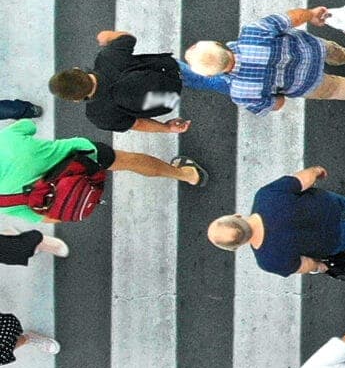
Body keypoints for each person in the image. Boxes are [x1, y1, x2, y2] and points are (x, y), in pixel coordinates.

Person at [207, 167, 345, 279]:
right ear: (236, 216)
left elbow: (307, 265)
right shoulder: (266, 196)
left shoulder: (268, 261)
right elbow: (305, 179)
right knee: (342, 204)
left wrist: (322, 267)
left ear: (237, 247)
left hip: (332, 239)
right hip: (327, 205)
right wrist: (316, 171)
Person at [0, 117, 202, 228]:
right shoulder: (6, 139)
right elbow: (28, 125)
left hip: (75, 191)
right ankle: (186, 174)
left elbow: (51, 218)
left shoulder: (3, 202)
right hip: (86, 157)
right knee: (132, 161)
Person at [52, 31, 214, 135]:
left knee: (186, 86)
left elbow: (138, 124)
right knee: (207, 77)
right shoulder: (107, 58)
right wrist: (106, 36)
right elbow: (128, 38)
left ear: (76, 99)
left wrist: (167, 128)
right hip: (169, 71)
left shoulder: (98, 115)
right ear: (78, 70)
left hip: (166, 99)